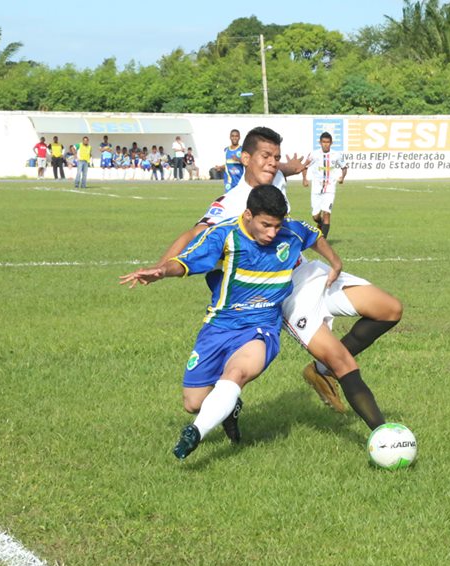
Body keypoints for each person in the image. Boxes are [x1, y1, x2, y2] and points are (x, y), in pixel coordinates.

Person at [153, 126, 401, 437]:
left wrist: (291, 167)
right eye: (266, 157)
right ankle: (386, 436)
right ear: (246, 159)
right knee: (342, 360)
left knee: (389, 309)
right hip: (285, 291)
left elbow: (276, 167)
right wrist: (161, 268)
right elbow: (194, 233)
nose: (272, 163)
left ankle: (319, 371)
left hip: (311, 272)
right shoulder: (231, 204)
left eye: (276, 157)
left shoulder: (275, 176)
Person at [120, 184, 341, 460]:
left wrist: (336, 262)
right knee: (193, 402)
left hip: (261, 327)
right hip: (220, 325)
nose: (273, 233)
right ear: (248, 215)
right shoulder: (224, 236)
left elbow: (314, 235)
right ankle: (230, 407)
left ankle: (195, 433)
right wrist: (162, 270)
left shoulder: (289, 230)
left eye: (277, 226)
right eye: (266, 225)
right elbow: (186, 261)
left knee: (236, 373)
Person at [301, 131, 348, 238]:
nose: (325, 144)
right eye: (323, 142)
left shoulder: (336, 155)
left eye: (328, 142)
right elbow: (305, 166)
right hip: (316, 188)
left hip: (330, 188)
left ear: (331, 143)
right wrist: (304, 179)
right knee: (315, 216)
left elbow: (344, 167)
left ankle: (323, 240)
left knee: (327, 213)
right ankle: (320, 224)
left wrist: (342, 177)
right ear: (320, 142)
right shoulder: (314, 154)